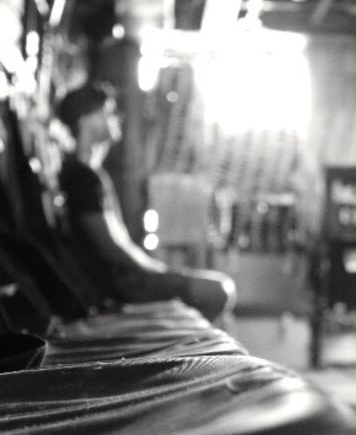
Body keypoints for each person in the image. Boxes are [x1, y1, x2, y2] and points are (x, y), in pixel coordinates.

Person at [55, 82, 235, 321]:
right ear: (86, 121)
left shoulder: (90, 173)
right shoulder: (82, 177)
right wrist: (156, 270)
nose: (117, 118)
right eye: (107, 113)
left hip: (123, 278)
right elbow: (111, 248)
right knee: (218, 291)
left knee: (218, 286)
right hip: (118, 285)